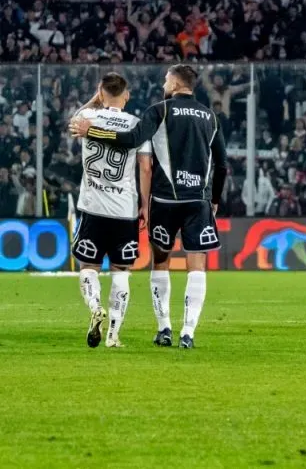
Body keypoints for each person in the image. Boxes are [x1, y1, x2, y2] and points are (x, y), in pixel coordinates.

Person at [70, 64, 228, 349]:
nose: (164, 83)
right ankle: (188, 333)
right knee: (196, 265)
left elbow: (130, 140)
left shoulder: (158, 110)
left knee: (160, 260)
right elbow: (222, 164)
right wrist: (214, 199)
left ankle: (164, 328)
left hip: (162, 200)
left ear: (177, 83)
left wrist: (93, 129)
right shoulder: (210, 116)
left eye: (167, 79)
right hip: (196, 200)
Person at [72, 73, 152, 348]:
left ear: (101, 92)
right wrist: (145, 204)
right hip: (124, 211)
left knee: (88, 268)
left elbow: (76, 121)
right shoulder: (137, 126)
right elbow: (145, 168)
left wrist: (97, 99)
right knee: (121, 272)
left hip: (92, 208)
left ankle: (95, 306)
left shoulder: (86, 119)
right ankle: (113, 335)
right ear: (126, 95)